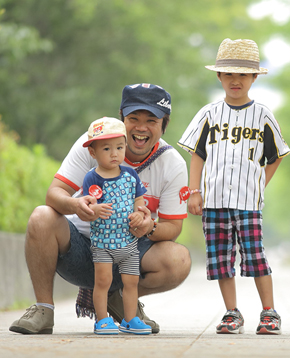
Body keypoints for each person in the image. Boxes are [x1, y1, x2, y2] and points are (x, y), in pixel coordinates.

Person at [10, 83, 190, 335]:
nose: (141, 127)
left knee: (179, 259)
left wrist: (149, 226)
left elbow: (173, 228)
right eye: (133, 118)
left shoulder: (173, 164)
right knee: (42, 215)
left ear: (164, 125)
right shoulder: (92, 143)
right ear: (121, 119)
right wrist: (75, 204)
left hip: (130, 250)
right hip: (82, 249)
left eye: (152, 120)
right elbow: (54, 193)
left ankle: (119, 299)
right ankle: (43, 309)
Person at [178, 38, 290, 335]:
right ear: (218, 76)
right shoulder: (209, 113)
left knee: (255, 255)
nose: (235, 80)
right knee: (220, 259)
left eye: (242, 74)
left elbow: (276, 155)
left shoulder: (263, 115)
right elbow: (197, 154)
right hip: (213, 200)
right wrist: (194, 192)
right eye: (229, 73)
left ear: (254, 77)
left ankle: (269, 312)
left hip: (248, 201)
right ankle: (232, 313)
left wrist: (260, 184)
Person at [82, 117, 151, 335]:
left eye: (119, 147)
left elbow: (139, 200)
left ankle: (130, 319)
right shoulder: (92, 178)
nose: (114, 154)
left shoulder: (130, 175)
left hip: (128, 242)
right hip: (103, 243)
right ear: (93, 153)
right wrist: (94, 212)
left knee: (131, 282)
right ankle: (102, 319)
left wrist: (139, 215)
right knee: (103, 281)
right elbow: (87, 211)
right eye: (106, 149)